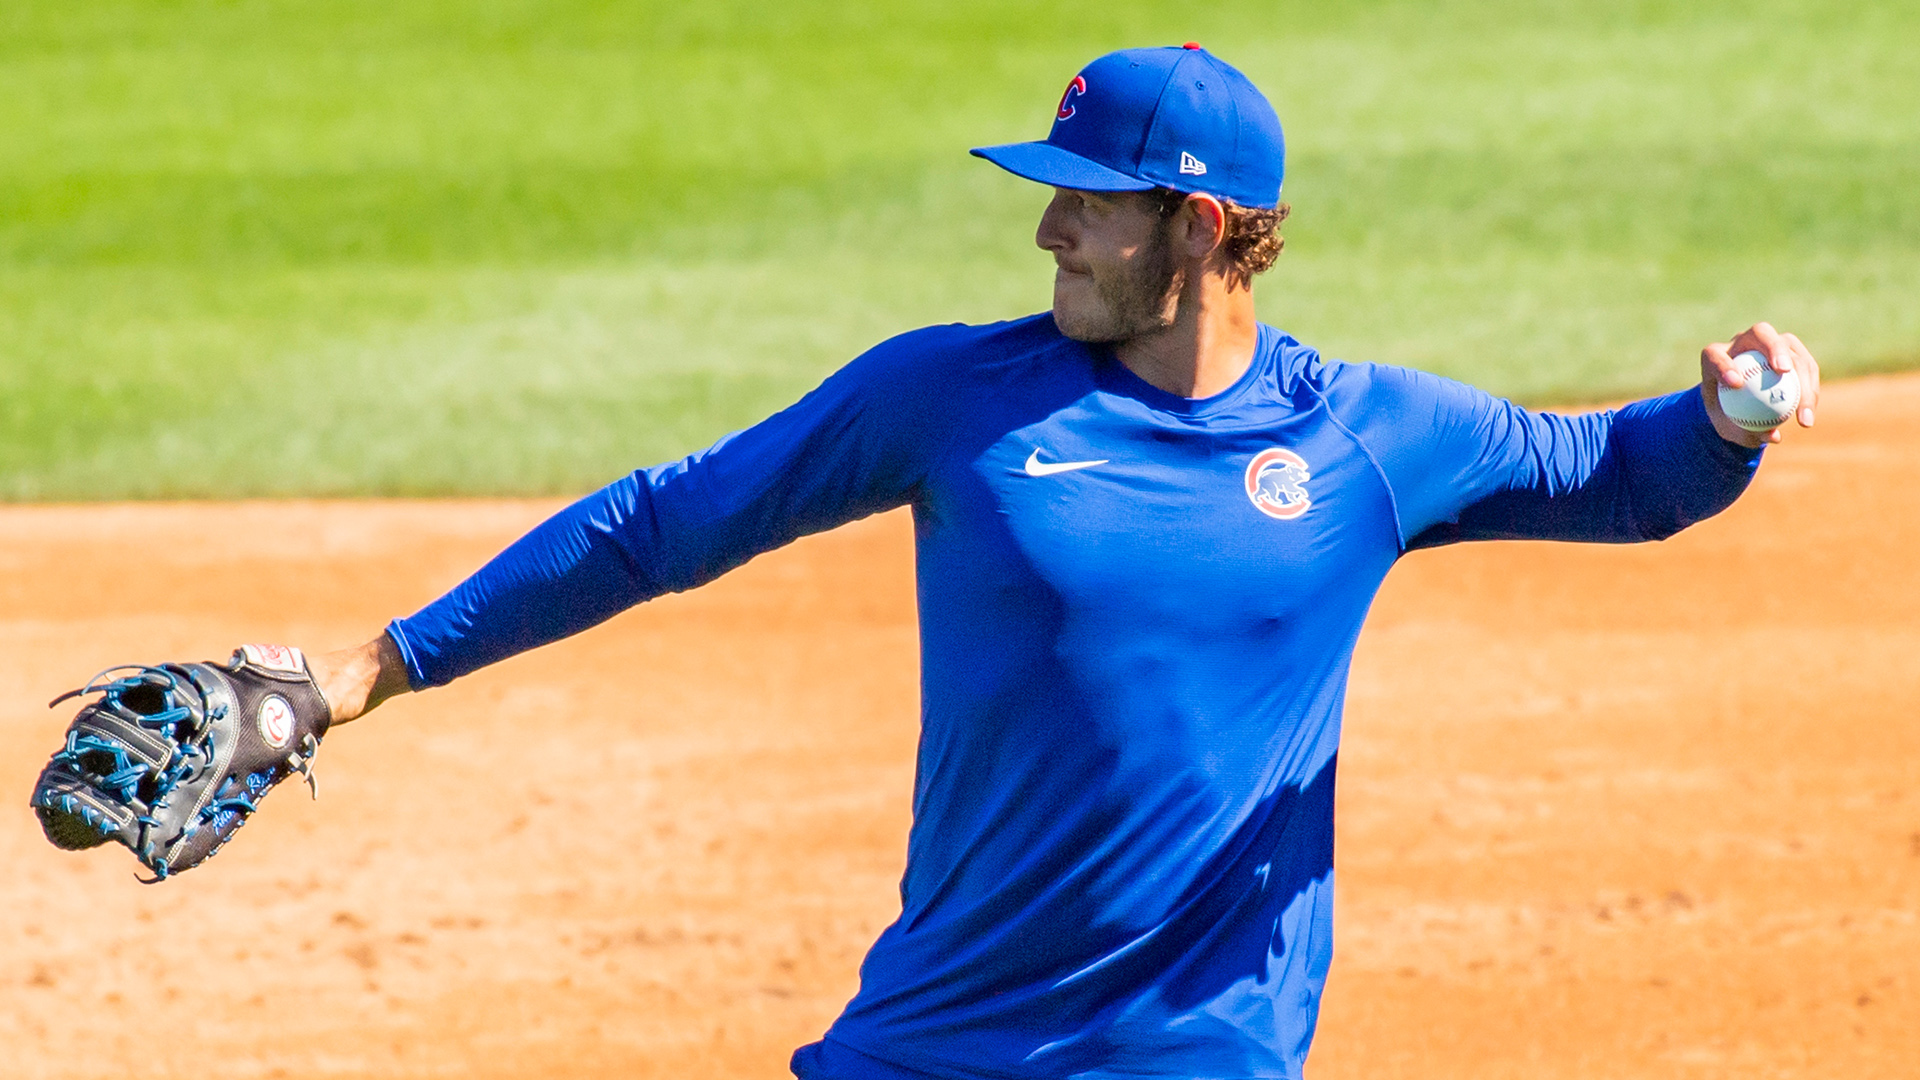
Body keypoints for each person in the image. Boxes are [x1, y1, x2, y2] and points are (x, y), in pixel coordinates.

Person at [304, 45, 1819, 1080]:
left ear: (1201, 224)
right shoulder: (949, 396)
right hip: (936, 1035)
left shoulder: (1366, 438)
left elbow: (1618, 477)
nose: (1048, 231)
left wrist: (1725, 417)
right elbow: (664, 521)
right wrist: (374, 666)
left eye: (1089, 202)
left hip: (1197, 1053)